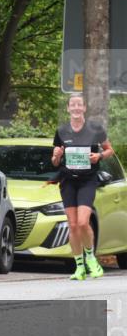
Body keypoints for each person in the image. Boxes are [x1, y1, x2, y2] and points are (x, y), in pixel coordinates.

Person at [51, 93, 115, 281]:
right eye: (73, 105)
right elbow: (55, 162)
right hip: (68, 181)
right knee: (72, 225)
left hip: (87, 181)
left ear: (84, 108)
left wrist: (99, 157)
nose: (76, 108)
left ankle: (90, 258)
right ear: (68, 109)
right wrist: (56, 156)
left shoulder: (95, 129)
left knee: (82, 223)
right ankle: (79, 267)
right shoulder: (62, 131)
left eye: (80, 104)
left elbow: (110, 150)